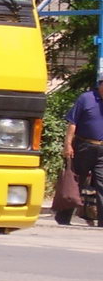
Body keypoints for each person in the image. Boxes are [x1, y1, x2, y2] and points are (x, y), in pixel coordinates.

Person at [57, 78, 103, 225]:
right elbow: (73, 123)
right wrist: (68, 145)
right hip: (83, 147)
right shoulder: (86, 98)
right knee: (76, 182)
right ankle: (63, 218)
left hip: (102, 150)